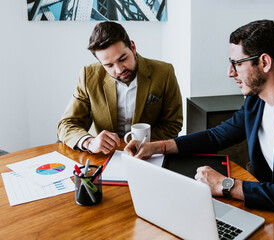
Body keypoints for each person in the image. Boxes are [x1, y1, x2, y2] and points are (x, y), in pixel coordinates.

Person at [124, 20, 274, 239]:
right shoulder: (257, 100)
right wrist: (159, 146)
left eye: (237, 63)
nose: (230, 72)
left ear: (265, 62)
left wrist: (226, 185)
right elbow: (217, 135)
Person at [57, 21, 183, 155]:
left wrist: (145, 144)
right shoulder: (88, 76)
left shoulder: (164, 72)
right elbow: (66, 124)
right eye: (109, 65)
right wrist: (89, 142)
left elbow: (173, 124)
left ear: (133, 47)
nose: (119, 70)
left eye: (122, 59)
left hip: (149, 153)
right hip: (103, 155)